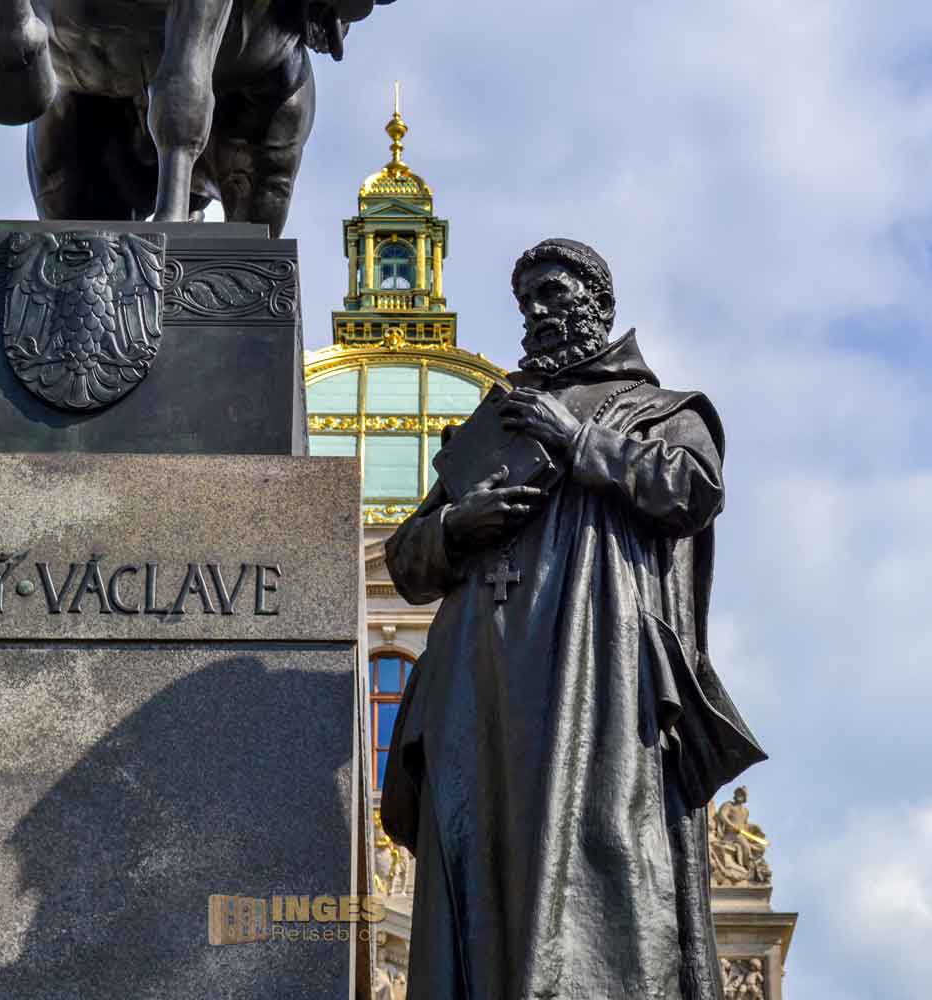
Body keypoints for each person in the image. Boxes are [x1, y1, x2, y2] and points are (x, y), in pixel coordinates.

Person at [379, 238, 765, 999]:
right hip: (482, 690)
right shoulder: (495, 424)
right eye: (528, 303)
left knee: (608, 861)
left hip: (600, 674)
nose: (540, 315)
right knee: (487, 874)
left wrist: (580, 441)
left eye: (554, 295)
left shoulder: (660, 411)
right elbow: (405, 564)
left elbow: (692, 490)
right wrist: (461, 524)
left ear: (597, 303)